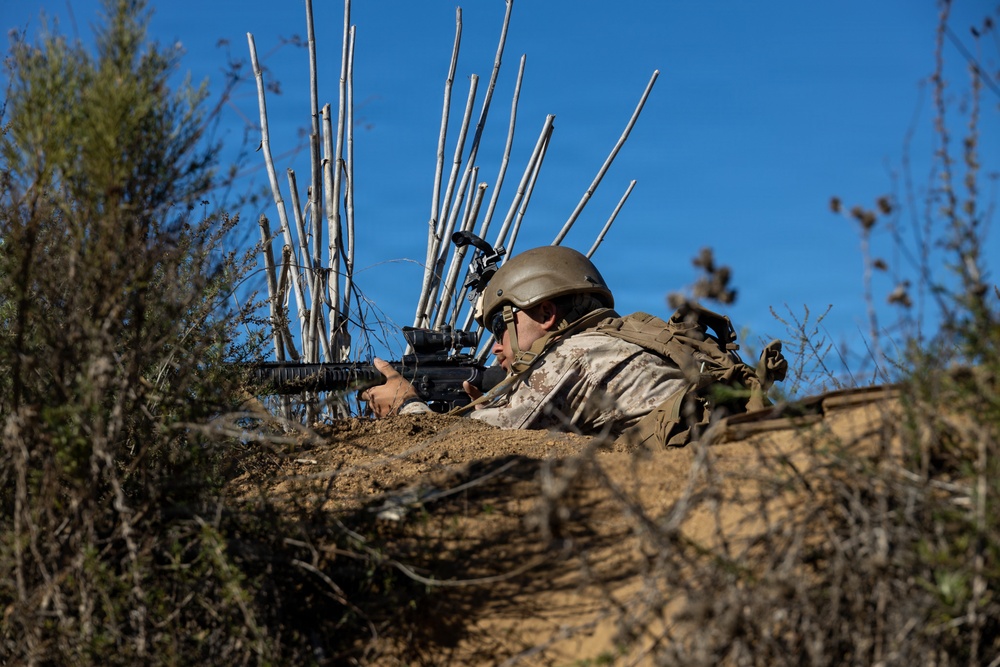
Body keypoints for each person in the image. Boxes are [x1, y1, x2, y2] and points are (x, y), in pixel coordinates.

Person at [360, 245, 688, 437]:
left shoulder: (576, 354)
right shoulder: (611, 345)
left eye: (501, 329)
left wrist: (406, 406)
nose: (498, 347)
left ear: (545, 313)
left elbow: (466, 447)